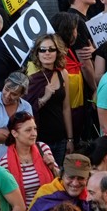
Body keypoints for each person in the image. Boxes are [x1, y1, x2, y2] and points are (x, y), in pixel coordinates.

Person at [25, 34, 73, 165]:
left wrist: (70, 139)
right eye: (43, 50)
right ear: (37, 53)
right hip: (39, 140)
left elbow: (66, 107)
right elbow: (27, 111)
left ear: (58, 52)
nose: (47, 53)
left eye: (51, 49)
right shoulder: (31, 77)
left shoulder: (63, 74)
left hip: (60, 138)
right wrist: (45, 97)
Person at [0, 110, 57, 208]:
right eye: (28, 130)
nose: (34, 133)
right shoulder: (5, 164)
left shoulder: (43, 149)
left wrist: (53, 167)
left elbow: (60, 180)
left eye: (35, 129)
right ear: (14, 133)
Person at [0, 72, 33, 160]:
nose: (7, 95)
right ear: (4, 84)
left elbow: (29, 135)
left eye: (14, 94)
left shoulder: (26, 107)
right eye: (6, 89)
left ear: (21, 95)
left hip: (17, 159)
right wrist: (16, 135)